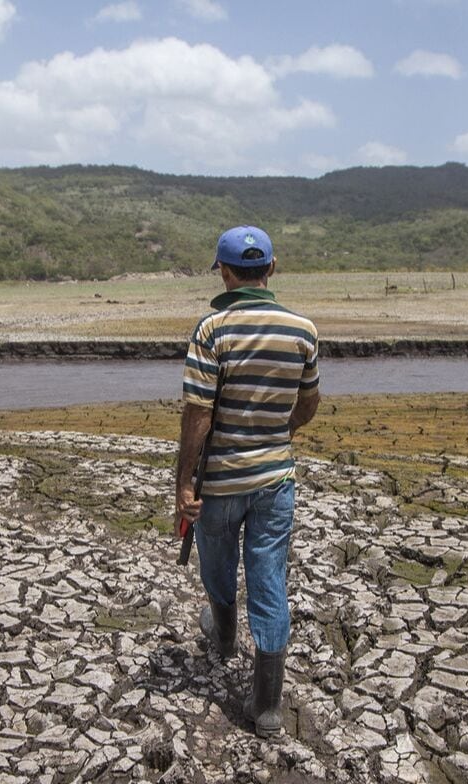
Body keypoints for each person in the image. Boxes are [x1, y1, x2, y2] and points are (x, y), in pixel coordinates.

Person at [174, 225, 320, 738]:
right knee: (269, 579)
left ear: (225, 272)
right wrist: (276, 435)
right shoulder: (303, 330)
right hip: (275, 480)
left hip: (221, 482)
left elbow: (198, 415)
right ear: (272, 269)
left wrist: (184, 484)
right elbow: (308, 404)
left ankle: (224, 637)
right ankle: (267, 707)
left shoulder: (212, 329)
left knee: (217, 565)